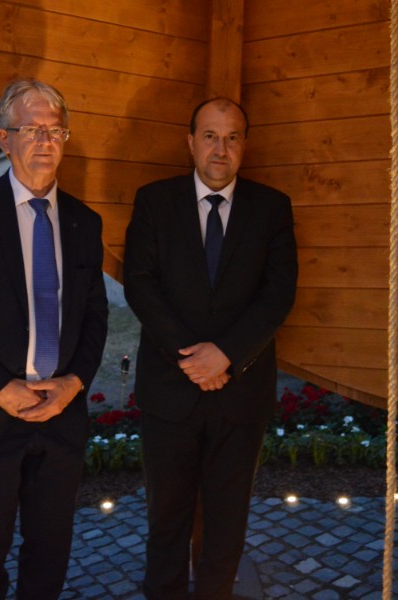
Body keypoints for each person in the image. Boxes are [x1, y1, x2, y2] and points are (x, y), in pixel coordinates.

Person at [0, 79, 108, 600]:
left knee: (51, 550)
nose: (45, 140)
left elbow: (95, 314)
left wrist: (75, 382)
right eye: (32, 129)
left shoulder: (84, 222)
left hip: (61, 415)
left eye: (55, 130)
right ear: (5, 139)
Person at [124, 97, 299, 599]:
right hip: (169, 392)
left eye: (232, 137)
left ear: (244, 145)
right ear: (190, 142)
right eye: (210, 136)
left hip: (240, 395)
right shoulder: (154, 202)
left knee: (227, 523)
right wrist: (194, 359)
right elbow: (140, 284)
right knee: (166, 521)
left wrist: (226, 355)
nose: (220, 149)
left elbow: (278, 294)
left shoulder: (272, 208)